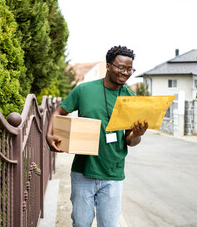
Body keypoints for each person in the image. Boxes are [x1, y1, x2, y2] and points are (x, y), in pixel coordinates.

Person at [46, 45, 148, 227]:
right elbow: (59, 111)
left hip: (113, 174)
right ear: (108, 66)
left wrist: (137, 135)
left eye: (129, 69)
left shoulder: (130, 98)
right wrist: (49, 134)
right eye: (121, 67)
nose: (125, 72)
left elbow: (130, 141)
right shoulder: (84, 90)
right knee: (80, 223)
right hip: (83, 171)